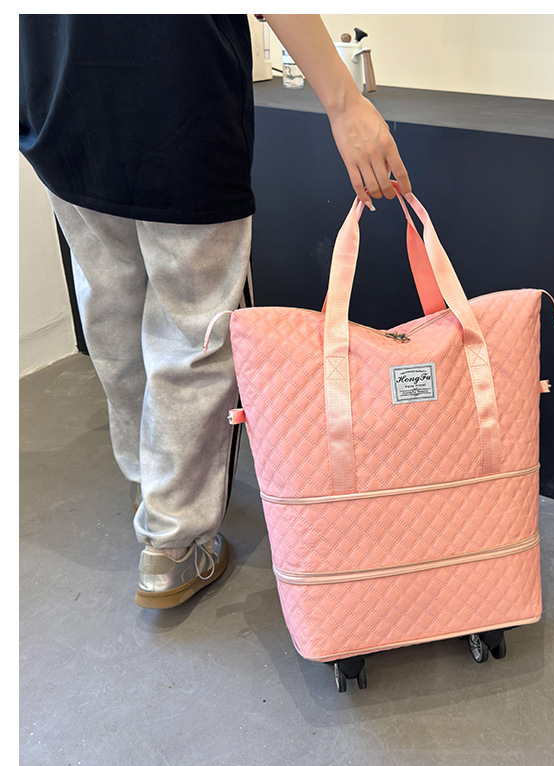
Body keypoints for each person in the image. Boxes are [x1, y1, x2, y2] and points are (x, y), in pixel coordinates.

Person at [19, 14, 411, 609]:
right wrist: (343, 101)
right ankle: (175, 544)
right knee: (196, 337)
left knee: (112, 319)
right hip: (177, 106)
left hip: (57, 102)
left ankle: (153, 488)